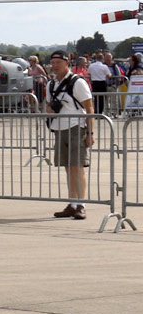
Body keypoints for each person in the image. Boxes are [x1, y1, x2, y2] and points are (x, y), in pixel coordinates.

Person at [47, 51, 95, 220]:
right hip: (59, 128)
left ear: (67, 63)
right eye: (52, 62)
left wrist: (90, 132)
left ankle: (81, 204)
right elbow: (48, 105)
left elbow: (89, 108)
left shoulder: (77, 82)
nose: (55, 65)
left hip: (76, 127)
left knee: (78, 166)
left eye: (58, 62)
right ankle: (72, 203)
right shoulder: (51, 84)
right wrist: (50, 110)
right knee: (68, 168)